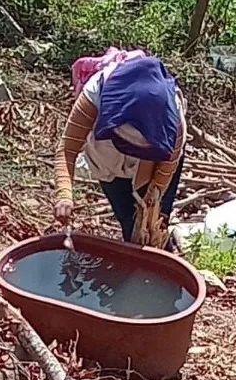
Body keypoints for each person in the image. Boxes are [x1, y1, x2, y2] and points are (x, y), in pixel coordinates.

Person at [53, 56, 186, 249]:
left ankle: (167, 261)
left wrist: (151, 202)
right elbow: (67, 149)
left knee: (156, 224)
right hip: (108, 165)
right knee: (130, 226)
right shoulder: (94, 97)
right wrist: (64, 194)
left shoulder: (174, 124)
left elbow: (165, 171)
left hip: (154, 164)